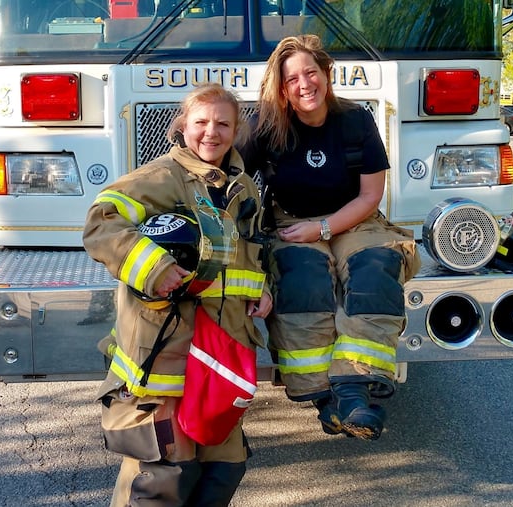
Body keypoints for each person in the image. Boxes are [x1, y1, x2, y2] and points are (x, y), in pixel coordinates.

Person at [83, 83, 272, 506]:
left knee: (224, 468)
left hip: (220, 357)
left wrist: (263, 288)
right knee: (164, 475)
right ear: (182, 126)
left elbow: (249, 251)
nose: (212, 132)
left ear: (237, 129)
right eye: (201, 122)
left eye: (223, 123)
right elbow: (100, 224)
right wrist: (156, 268)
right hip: (164, 356)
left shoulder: (243, 188)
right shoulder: (161, 177)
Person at [239, 35, 420, 441]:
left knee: (376, 267)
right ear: (281, 88)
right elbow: (221, 170)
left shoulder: (356, 121)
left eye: (310, 72)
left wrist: (322, 229)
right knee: (303, 278)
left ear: (327, 73)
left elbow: (371, 195)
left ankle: (355, 392)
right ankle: (324, 398)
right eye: (291, 79)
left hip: (356, 220)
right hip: (291, 221)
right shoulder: (264, 127)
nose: (304, 84)